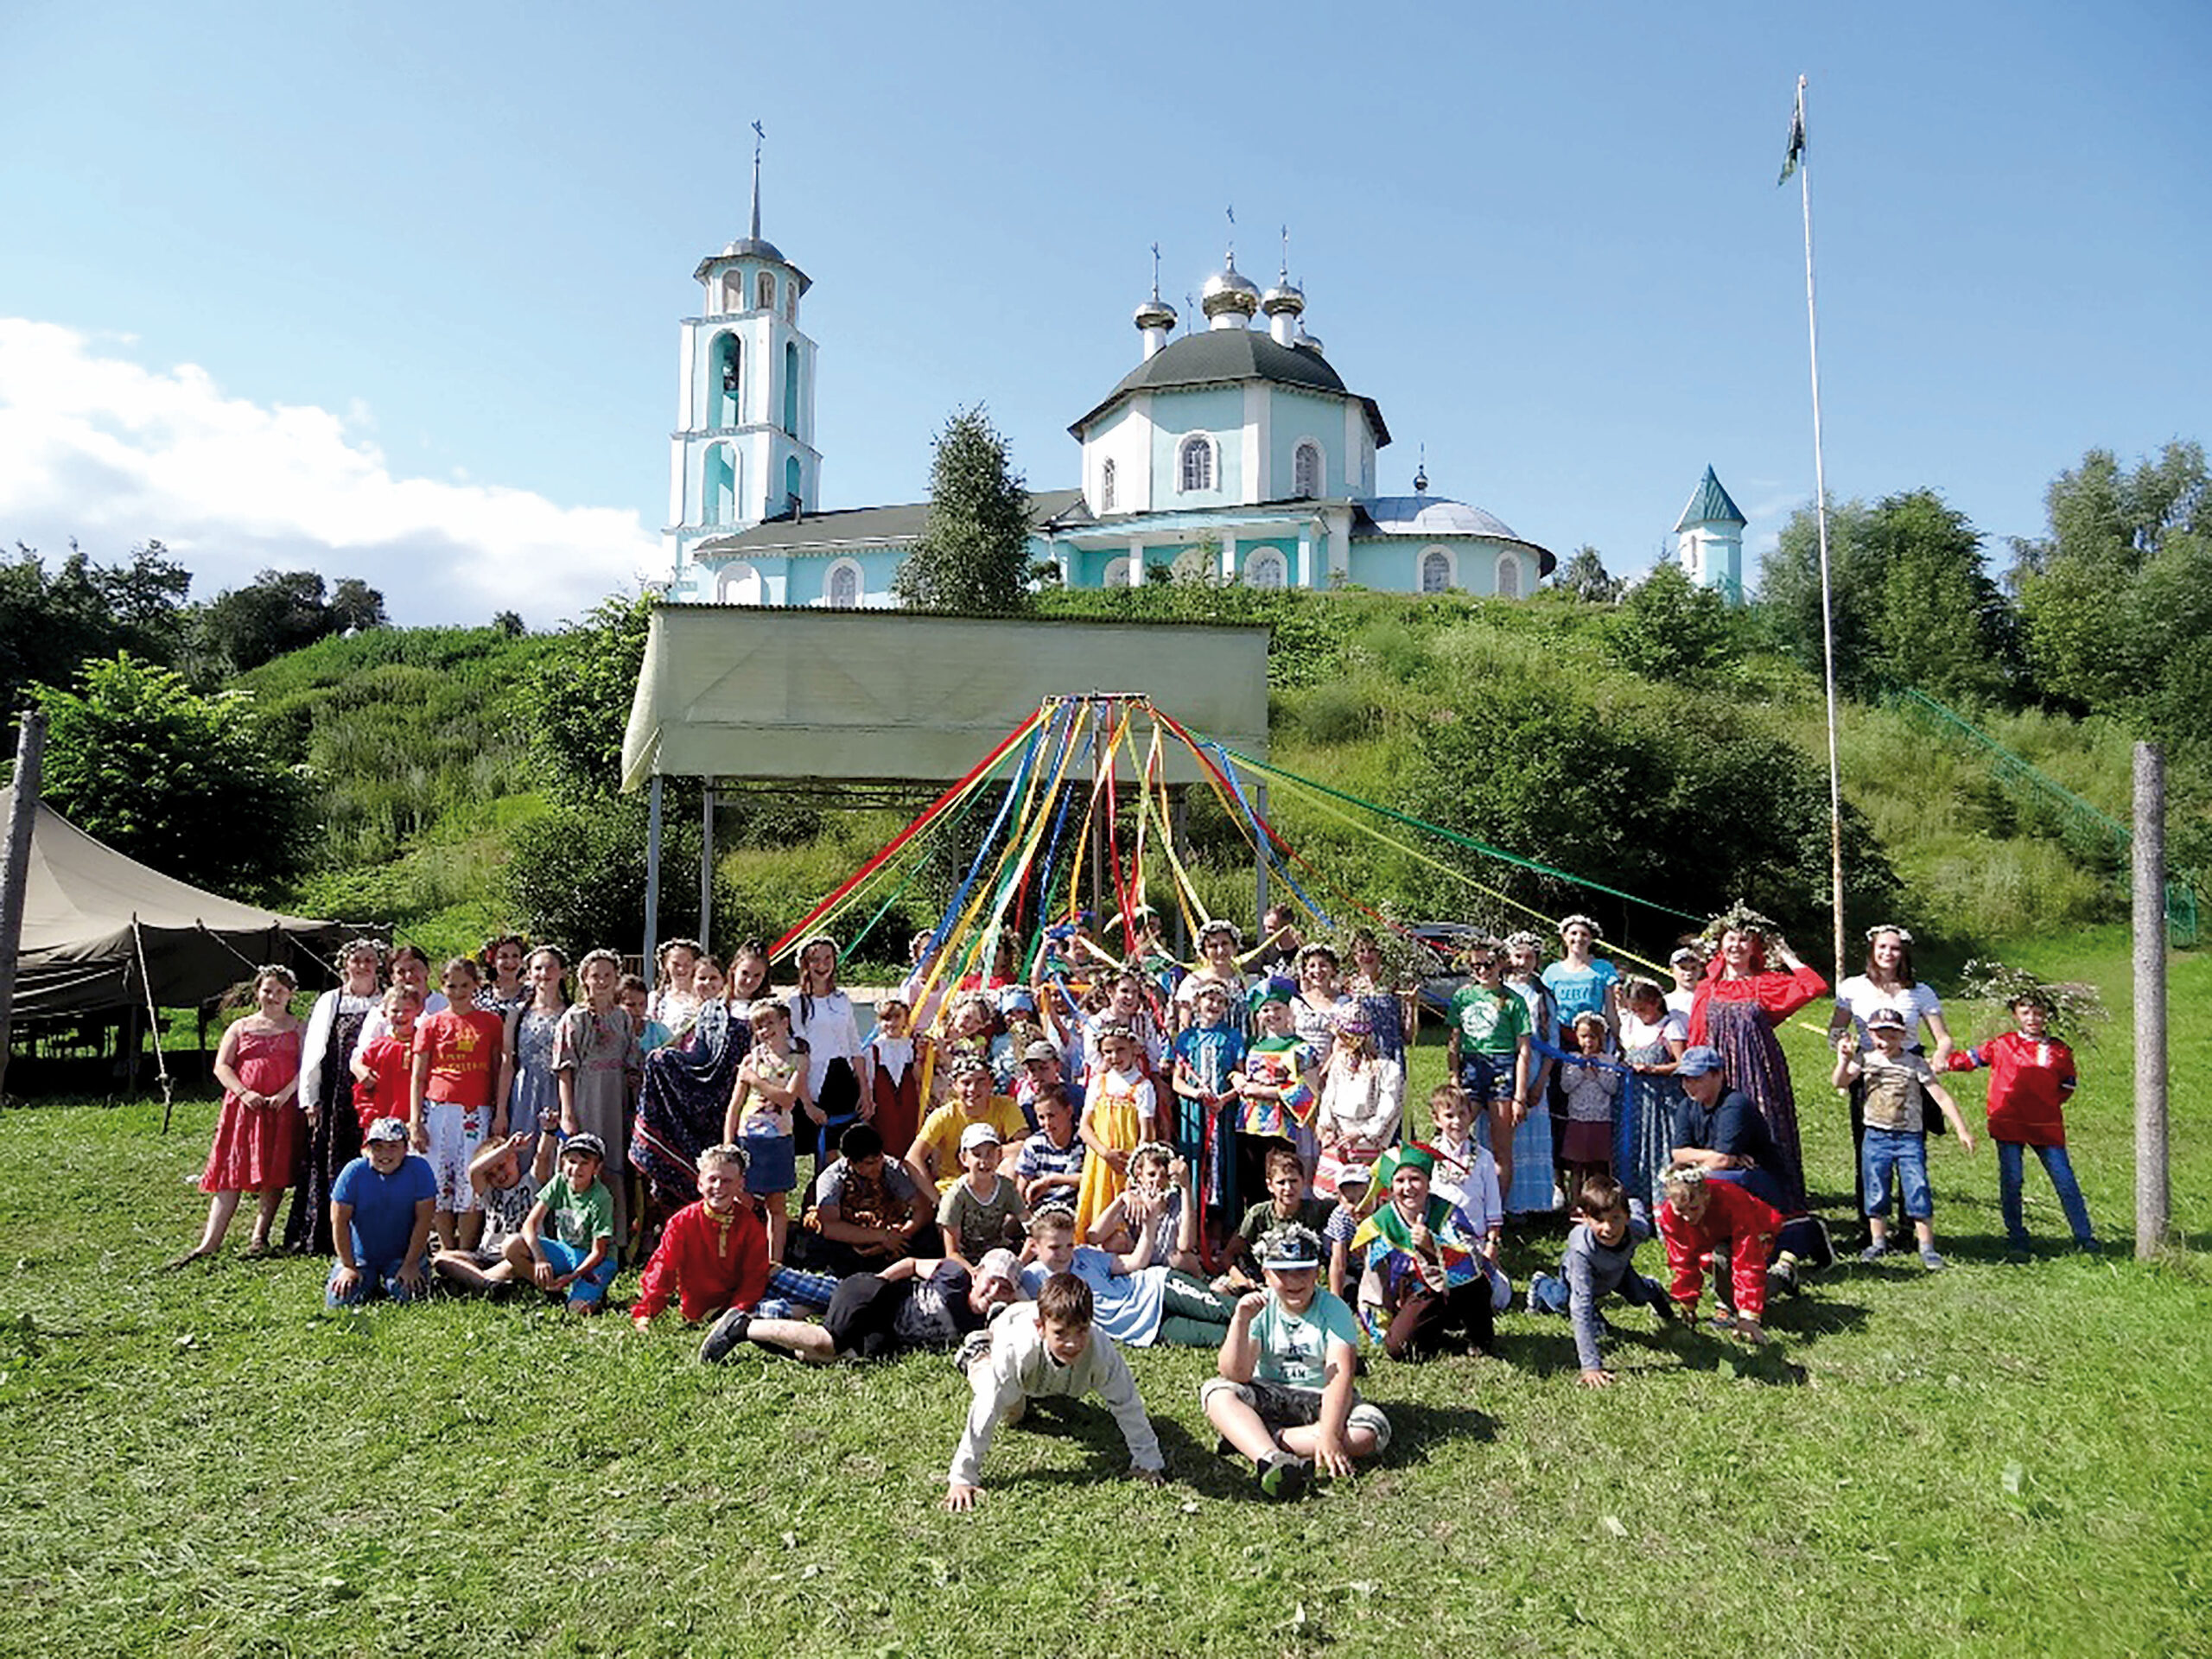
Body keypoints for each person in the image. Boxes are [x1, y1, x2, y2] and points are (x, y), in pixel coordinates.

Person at [946, 1271, 1166, 1511]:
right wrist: (963, 1477)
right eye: (1061, 1333)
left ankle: (1015, 1330)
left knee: (1058, 1394)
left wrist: (1147, 1462)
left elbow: (1127, 1403)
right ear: (1041, 1328)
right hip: (1010, 1328)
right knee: (1013, 1413)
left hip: (1044, 1356)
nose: (1072, 1343)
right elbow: (986, 1409)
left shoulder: (1101, 1351)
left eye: (1081, 1331)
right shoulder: (1016, 1351)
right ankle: (976, 1352)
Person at [1201, 1224, 1389, 1498]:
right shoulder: (1258, 1307)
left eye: (1303, 1271)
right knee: (1216, 1393)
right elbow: (1236, 1374)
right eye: (1282, 1272)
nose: (1294, 1281)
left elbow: (1340, 1375)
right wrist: (1241, 1322)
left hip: (1321, 1398)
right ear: (1266, 1274)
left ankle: (1258, 1438)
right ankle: (1271, 1460)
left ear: (1317, 1272)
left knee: (1370, 1431)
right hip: (1269, 1392)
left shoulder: (1334, 1309)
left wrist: (1329, 1434)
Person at [169, 967, 305, 1268]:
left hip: (280, 1108)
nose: (273, 997)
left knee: (275, 1169)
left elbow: (306, 1067)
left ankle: (260, 1235)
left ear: (290, 995)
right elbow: (222, 1066)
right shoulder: (241, 1027)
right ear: (257, 991)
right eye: (267, 990)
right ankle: (211, 1241)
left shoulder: (298, 1027)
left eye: (280, 991)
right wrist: (244, 1093)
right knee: (230, 1171)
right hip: (243, 1109)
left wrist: (285, 1094)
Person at [1688, 919, 1827, 1214]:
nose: (1736, 945)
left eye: (1744, 940)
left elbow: (1814, 986)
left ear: (1754, 947)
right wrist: (1696, 1079)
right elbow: (1696, 1037)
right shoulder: (1706, 988)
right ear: (1720, 945)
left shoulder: (1766, 983)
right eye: (1731, 939)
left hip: (1759, 1072)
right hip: (1718, 1074)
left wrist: (1786, 954)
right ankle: (1722, 1206)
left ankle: (1775, 1204)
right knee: (1722, 1133)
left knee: (1766, 1130)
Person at [1946, 989, 2099, 1257]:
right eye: (2026, 1012)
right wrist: (1940, 1063)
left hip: (2046, 1125)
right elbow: (1971, 1059)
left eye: (2038, 1012)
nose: (2033, 1018)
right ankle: (2016, 1235)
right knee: (2012, 1180)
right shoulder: (2003, 1044)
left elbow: (2067, 1085)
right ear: (2015, 1015)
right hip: (2009, 1122)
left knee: (2065, 1180)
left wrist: (2045, 1102)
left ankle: (2084, 1236)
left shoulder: (2059, 1050)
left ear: (2048, 1015)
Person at [1830, 925, 1955, 1240]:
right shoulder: (1852, 988)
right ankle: (1870, 1224)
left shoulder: (1920, 992)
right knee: (1869, 1150)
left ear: (1904, 953)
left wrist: (1940, 1057)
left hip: (1909, 1076)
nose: (1888, 954)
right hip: (1869, 1074)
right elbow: (1835, 1030)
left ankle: (1909, 1226)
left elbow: (1944, 1038)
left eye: (1895, 949)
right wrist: (1843, 1046)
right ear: (1872, 950)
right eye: (1882, 947)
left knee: (1911, 1149)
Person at [1834, 1007, 1974, 1269]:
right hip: (1875, 1135)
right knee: (1876, 1188)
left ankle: (1927, 1248)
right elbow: (1839, 1082)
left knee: (1917, 1188)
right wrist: (1844, 1059)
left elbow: (1940, 1096)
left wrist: (1961, 1129)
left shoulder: (1915, 1063)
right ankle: (1878, 1242)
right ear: (1870, 1035)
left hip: (1909, 1138)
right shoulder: (1864, 1059)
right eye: (1879, 1036)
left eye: (1892, 1036)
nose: (1885, 1043)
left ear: (1903, 1036)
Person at [723, 1246, 1020, 1367]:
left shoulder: (983, 1325)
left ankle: (760, 1331)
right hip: (876, 1296)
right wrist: (877, 1281)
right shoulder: (955, 1277)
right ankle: (743, 1326)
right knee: (826, 1343)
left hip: (884, 1332)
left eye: (1004, 1288)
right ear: (977, 1273)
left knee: (819, 1357)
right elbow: (912, 1263)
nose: (994, 1291)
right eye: (991, 1281)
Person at [1528, 1174, 1680, 1387]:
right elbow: (1580, 1307)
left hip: (1618, 1270)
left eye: (1615, 1218)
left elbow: (1635, 1202)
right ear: (1585, 1218)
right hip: (1580, 1277)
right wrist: (1591, 1367)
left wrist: (1669, 1315)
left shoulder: (1638, 1228)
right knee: (1563, 1302)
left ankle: (1659, 1298)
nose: (1608, 1228)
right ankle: (1540, 1285)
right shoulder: (1581, 1249)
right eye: (1599, 1220)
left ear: (1626, 1217)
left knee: (1639, 1294)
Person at [1019, 1204, 1238, 1350]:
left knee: (1222, 1308)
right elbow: (1009, 1296)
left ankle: (1269, 1316)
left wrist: (1149, 1224)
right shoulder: (1032, 1277)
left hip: (1155, 1289)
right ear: (1035, 1246)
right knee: (1221, 1336)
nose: (1064, 1253)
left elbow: (1135, 1263)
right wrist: (1022, 1258)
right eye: (1054, 1247)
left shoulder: (1084, 1255)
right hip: (1143, 1329)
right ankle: (1267, 1340)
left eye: (1069, 1245)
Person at [283, 938, 384, 1256]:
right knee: (330, 1158)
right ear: (345, 965)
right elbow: (313, 1052)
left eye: (370, 960)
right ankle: (326, 1234)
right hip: (336, 1093)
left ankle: (370, 1230)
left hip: (374, 1091)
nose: (364, 965)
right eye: (357, 960)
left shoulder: (385, 1001)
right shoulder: (332, 1000)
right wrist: (310, 1098)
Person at [1351, 1145, 1497, 1359]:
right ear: (1391, 1187)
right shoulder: (1381, 1223)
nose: (1408, 1187)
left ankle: (1479, 1337)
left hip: (1458, 1289)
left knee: (1475, 1283)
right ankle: (1431, 1334)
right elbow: (1374, 1279)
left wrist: (1432, 1245)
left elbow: (1473, 1261)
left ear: (1428, 1182)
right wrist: (1383, 1318)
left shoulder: (1448, 1212)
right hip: (1417, 1294)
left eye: (1415, 1179)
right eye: (1400, 1181)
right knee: (1398, 1349)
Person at [409, 956, 511, 1254]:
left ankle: (466, 1250)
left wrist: (499, 1110)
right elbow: (418, 1075)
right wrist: (416, 1121)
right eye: (452, 986)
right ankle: (445, 1247)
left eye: (465, 985)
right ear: (443, 987)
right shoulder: (431, 1024)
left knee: (471, 1178)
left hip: (476, 1111)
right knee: (439, 1179)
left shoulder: (491, 1022)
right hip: (438, 1110)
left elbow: (497, 1068)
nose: (458, 992)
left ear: (476, 985)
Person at [554, 948, 643, 1257]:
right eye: (596, 976)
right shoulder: (573, 1018)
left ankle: (614, 1240)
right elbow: (564, 1069)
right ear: (584, 980)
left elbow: (633, 1065)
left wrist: (635, 1108)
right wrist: (567, 1112)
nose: (602, 981)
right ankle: (576, 1239)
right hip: (585, 1093)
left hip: (615, 1097)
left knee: (614, 1164)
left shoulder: (622, 1018)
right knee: (582, 1162)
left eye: (608, 975)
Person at [630, 1142, 771, 1328]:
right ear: (700, 1183)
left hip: (750, 1297)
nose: (719, 1186)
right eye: (713, 1179)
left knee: (810, 1290)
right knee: (776, 1312)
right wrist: (647, 1313)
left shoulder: (749, 1224)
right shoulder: (682, 1223)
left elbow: (755, 1277)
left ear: (740, 1184)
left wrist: (737, 1310)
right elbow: (663, 1267)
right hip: (704, 1309)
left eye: (727, 1181)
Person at [1447, 941, 1543, 1214]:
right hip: (1472, 1066)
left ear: (1500, 964)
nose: (1482, 970)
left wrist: (1520, 1095)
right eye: (1475, 965)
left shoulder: (1513, 1000)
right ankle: (1454, 1202)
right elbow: (1453, 1041)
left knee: (1502, 1147)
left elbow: (1523, 1049)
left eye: (1488, 964)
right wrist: (1454, 1077)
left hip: (1502, 1067)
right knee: (1452, 1134)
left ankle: (1495, 1213)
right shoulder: (1462, 997)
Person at [722, 995, 813, 1263]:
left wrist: (754, 1080)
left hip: (779, 1140)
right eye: (759, 1027)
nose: (765, 1031)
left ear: (785, 1022)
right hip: (748, 1138)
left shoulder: (800, 1060)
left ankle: (775, 1261)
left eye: (769, 1023)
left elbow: (787, 1099)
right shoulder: (751, 1059)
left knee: (777, 1204)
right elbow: (734, 1106)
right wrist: (729, 1143)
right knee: (742, 1203)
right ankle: (740, 1257)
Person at [1656, 1165, 1781, 1344]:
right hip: (1713, 1240)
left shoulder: (1732, 1200)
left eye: (1694, 1208)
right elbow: (1682, 1259)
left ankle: (1781, 1276)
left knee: (1724, 1259)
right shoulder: (1670, 1215)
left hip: (1758, 1232)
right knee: (1710, 1261)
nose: (1688, 1217)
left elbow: (1748, 1260)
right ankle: (1731, 1297)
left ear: (1706, 1195)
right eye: (1681, 1211)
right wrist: (1687, 1301)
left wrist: (1748, 1315)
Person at [324, 1116, 438, 1306]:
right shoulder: (353, 1172)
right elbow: (339, 1221)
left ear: (405, 1148)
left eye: (393, 1146)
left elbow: (424, 1220)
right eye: (378, 1147)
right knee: (339, 1302)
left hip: (402, 1257)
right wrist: (348, 1266)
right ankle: (367, 1282)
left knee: (411, 1298)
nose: (385, 1154)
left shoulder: (419, 1170)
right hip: (360, 1258)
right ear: (368, 1149)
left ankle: (393, 1279)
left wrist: (410, 1264)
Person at [429, 1127, 556, 1295]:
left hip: (517, 1255)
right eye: (491, 1174)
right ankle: (486, 1284)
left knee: (512, 1263)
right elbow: (474, 1171)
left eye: (501, 1166)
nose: (499, 1175)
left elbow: (542, 1157)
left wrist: (548, 1130)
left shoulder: (531, 1183)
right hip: (486, 1257)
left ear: (514, 1158)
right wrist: (505, 1149)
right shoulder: (490, 1193)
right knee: (441, 1258)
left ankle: (472, 1282)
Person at [800, 1122, 935, 1274]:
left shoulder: (891, 1169)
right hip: (851, 1238)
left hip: (890, 1231)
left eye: (879, 1159)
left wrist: (902, 1235)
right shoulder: (832, 1178)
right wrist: (881, 1238)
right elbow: (830, 1227)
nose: (877, 1167)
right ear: (851, 1162)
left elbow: (923, 1208)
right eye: (870, 1163)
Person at [1232, 980, 1320, 1209]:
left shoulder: (1300, 1048)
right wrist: (1237, 1078)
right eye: (1266, 1009)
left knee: (1282, 1176)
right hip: (1249, 1125)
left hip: (1282, 1128)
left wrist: (1264, 1091)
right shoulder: (1253, 1046)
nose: (1272, 1014)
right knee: (1252, 1181)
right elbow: (1241, 1075)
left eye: (1277, 1008)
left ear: (1288, 1010)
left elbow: (1306, 1092)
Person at [788, 934, 870, 1175]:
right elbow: (797, 1053)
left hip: (841, 1077)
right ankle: (817, 1204)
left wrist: (865, 1090)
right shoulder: (797, 1002)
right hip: (812, 1080)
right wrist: (806, 1102)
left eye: (827, 958)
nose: (822, 965)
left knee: (839, 1149)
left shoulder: (841, 999)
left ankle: (836, 1201)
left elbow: (855, 1045)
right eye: (815, 960)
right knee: (817, 1145)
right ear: (805, 964)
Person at [512, 1132, 620, 1314]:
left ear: (597, 1168)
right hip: (566, 1250)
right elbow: (529, 1225)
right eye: (571, 1161)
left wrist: (572, 1277)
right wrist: (540, 1259)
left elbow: (598, 1252)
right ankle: (551, 1288)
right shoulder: (559, 1183)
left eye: (585, 1163)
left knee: (576, 1309)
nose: (576, 1168)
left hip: (593, 1260)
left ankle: (594, 1297)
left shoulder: (601, 1198)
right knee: (512, 1245)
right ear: (562, 1162)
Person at [1168, 980, 1245, 1231]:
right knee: (1196, 1162)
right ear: (1197, 1003)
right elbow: (1177, 1081)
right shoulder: (1187, 1038)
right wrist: (1197, 1094)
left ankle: (1223, 1228)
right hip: (1194, 1112)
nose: (1214, 1005)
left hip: (1223, 1112)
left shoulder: (1233, 1037)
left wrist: (1225, 1099)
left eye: (1220, 1001)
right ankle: (1192, 1225)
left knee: (1224, 1164)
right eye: (1209, 999)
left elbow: (1241, 1077)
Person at [1072, 1022, 1157, 1235]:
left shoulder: (1142, 1086)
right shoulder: (1098, 1082)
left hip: (1127, 1162)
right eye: (1107, 1052)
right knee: (1097, 1207)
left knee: (1123, 1219)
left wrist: (1135, 1166)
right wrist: (1104, 1153)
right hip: (1100, 1160)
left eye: (1120, 1050)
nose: (1114, 1056)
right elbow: (1084, 1127)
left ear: (1133, 1050)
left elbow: (1146, 1133)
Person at [908, 1054, 1030, 1200]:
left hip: (993, 1182)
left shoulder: (1006, 1107)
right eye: (966, 1083)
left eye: (981, 1082)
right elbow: (913, 1158)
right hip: (955, 1187)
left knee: (1013, 1162)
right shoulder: (943, 1115)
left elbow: (1025, 1146)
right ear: (955, 1086)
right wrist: (936, 1201)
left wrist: (983, 1155)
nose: (973, 1089)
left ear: (991, 1083)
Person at [1219, 1145, 1336, 1291]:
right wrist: (1242, 1280)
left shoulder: (1317, 1210)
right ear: (1270, 1186)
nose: (1288, 1188)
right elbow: (1228, 1256)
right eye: (1281, 1182)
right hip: (1260, 1281)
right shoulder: (1259, 1215)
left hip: (1303, 1282)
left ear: (1304, 1181)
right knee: (1220, 1290)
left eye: (1293, 1181)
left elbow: (1348, 1204)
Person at [1618, 976, 1688, 1213]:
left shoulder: (1671, 1026)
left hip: (1661, 1102)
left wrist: (1652, 1070)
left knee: (1660, 1150)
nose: (1638, 1013)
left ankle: (1665, 1208)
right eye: (1634, 1009)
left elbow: (1681, 1064)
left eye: (1642, 1008)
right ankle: (1635, 1206)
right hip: (1633, 1101)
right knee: (1633, 1149)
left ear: (1656, 1002)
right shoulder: (1631, 1024)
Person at [1085, 1142, 1202, 1275]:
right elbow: (1094, 1236)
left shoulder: (1175, 1201)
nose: (1157, 1180)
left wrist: (1186, 1188)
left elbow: (1185, 1245)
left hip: (1168, 1262)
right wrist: (1122, 1199)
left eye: (1163, 1176)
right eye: (1151, 1174)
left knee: (1183, 1259)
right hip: (1139, 1261)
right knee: (1116, 1240)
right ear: (1139, 1175)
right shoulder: (1134, 1201)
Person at [937, 1123, 1029, 1271]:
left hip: (999, 1255)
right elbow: (952, 1252)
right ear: (964, 1158)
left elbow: (1028, 1224)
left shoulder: (1006, 1187)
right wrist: (974, 1272)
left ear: (998, 1155)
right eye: (977, 1155)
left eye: (990, 1154)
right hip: (965, 1263)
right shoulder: (956, 1196)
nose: (984, 1161)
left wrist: (1020, 1262)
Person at [504, 944, 569, 1147]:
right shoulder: (518, 1013)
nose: (544, 973)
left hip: (560, 1090)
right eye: (538, 968)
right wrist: (500, 1112)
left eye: (550, 967)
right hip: (525, 1092)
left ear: (563, 972)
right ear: (530, 973)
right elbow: (507, 1062)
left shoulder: (572, 1013)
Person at [1557, 1011, 1622, 1192]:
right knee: (1577, 1165)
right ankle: (1575, 1202)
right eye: (1584, 1036)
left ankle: (1599, 1198)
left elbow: (1612, 1088)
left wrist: (1597, 1072)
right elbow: (1566, 1086)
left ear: (1601, 1037)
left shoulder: (1608, 1061)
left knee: (1599, 1165)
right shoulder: (1572, 1059)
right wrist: (1579, 1069)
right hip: (1578, 1118)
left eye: (1593, 1037)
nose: (1588, 1041)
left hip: (1601, 1118)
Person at [863, 992, 926, 1159]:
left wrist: (919, 1057)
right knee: (885, 1142)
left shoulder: (910, 1046)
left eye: (897, 1017)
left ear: (906, 1019)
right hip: (884, 1104)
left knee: (909, 1141)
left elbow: (918, 1078)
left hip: (907, 1104)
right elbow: (869, 1081)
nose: (891, 1023)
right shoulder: (874, 1050)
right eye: (886, 1019)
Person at [1014, 1082, 1086, 1211]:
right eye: (1041, 1118)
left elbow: (1090, 1178)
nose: (1047, 1123)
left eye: (1051, 1116)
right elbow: (1022, 1186)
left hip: (1076, 1209)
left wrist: (1053, 1180)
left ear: (1069, 1112)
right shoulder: (1034, 1145)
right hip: (1043, 1210)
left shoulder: (1083, 1142)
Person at [474, 933, 530, 1019]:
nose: (510, 962)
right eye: (503, 956)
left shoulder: (531, 994)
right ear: (493, 962)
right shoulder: (480, 995)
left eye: (515, 956)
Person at [619, 974, 674, 1056]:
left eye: (642, 1004)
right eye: (631, 1005)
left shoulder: (659, 1031)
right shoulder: (612, 1033)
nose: (638, 1009)